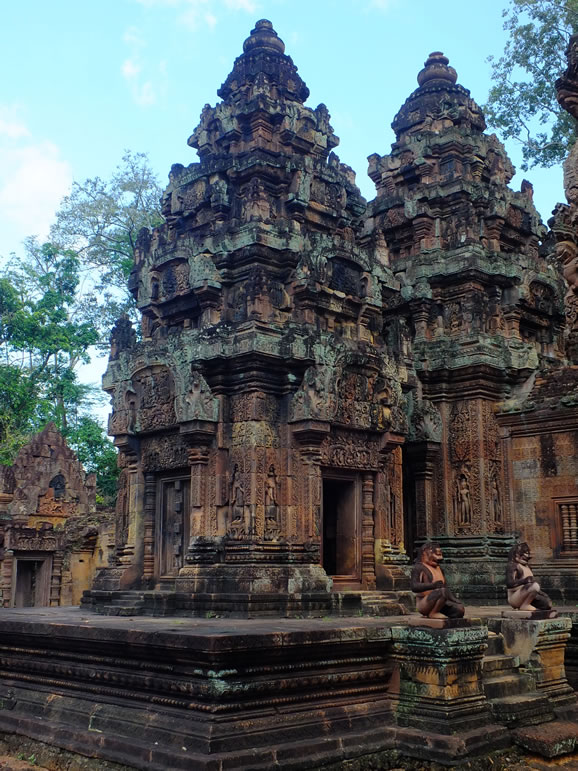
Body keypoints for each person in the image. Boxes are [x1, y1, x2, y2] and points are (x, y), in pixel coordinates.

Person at [410, 542, 465, 619]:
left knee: (459, 610)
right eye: (436, 555)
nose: (439, 558)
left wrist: (454, 600)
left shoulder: (439, 569)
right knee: (441, 591)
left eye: (440, 555)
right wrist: (432, 586)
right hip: (424, 602)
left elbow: (445, 589)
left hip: (440, 602)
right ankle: (433, 613)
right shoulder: (419, 568)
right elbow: (414, 586)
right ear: (425, 553)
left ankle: (440, 613)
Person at [506, 543, 555, 614]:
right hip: (515, 596)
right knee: (535, 586)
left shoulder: (528, 567)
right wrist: (525, 581)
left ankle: (527, 604)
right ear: (516, 555)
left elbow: (532, 587)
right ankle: (525, 606)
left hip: (529, 594)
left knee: (548, 603)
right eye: (523, 554)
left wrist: (542, 593)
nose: (526, 556)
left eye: (527, 555)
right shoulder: (513, 566)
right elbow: (509, 584)